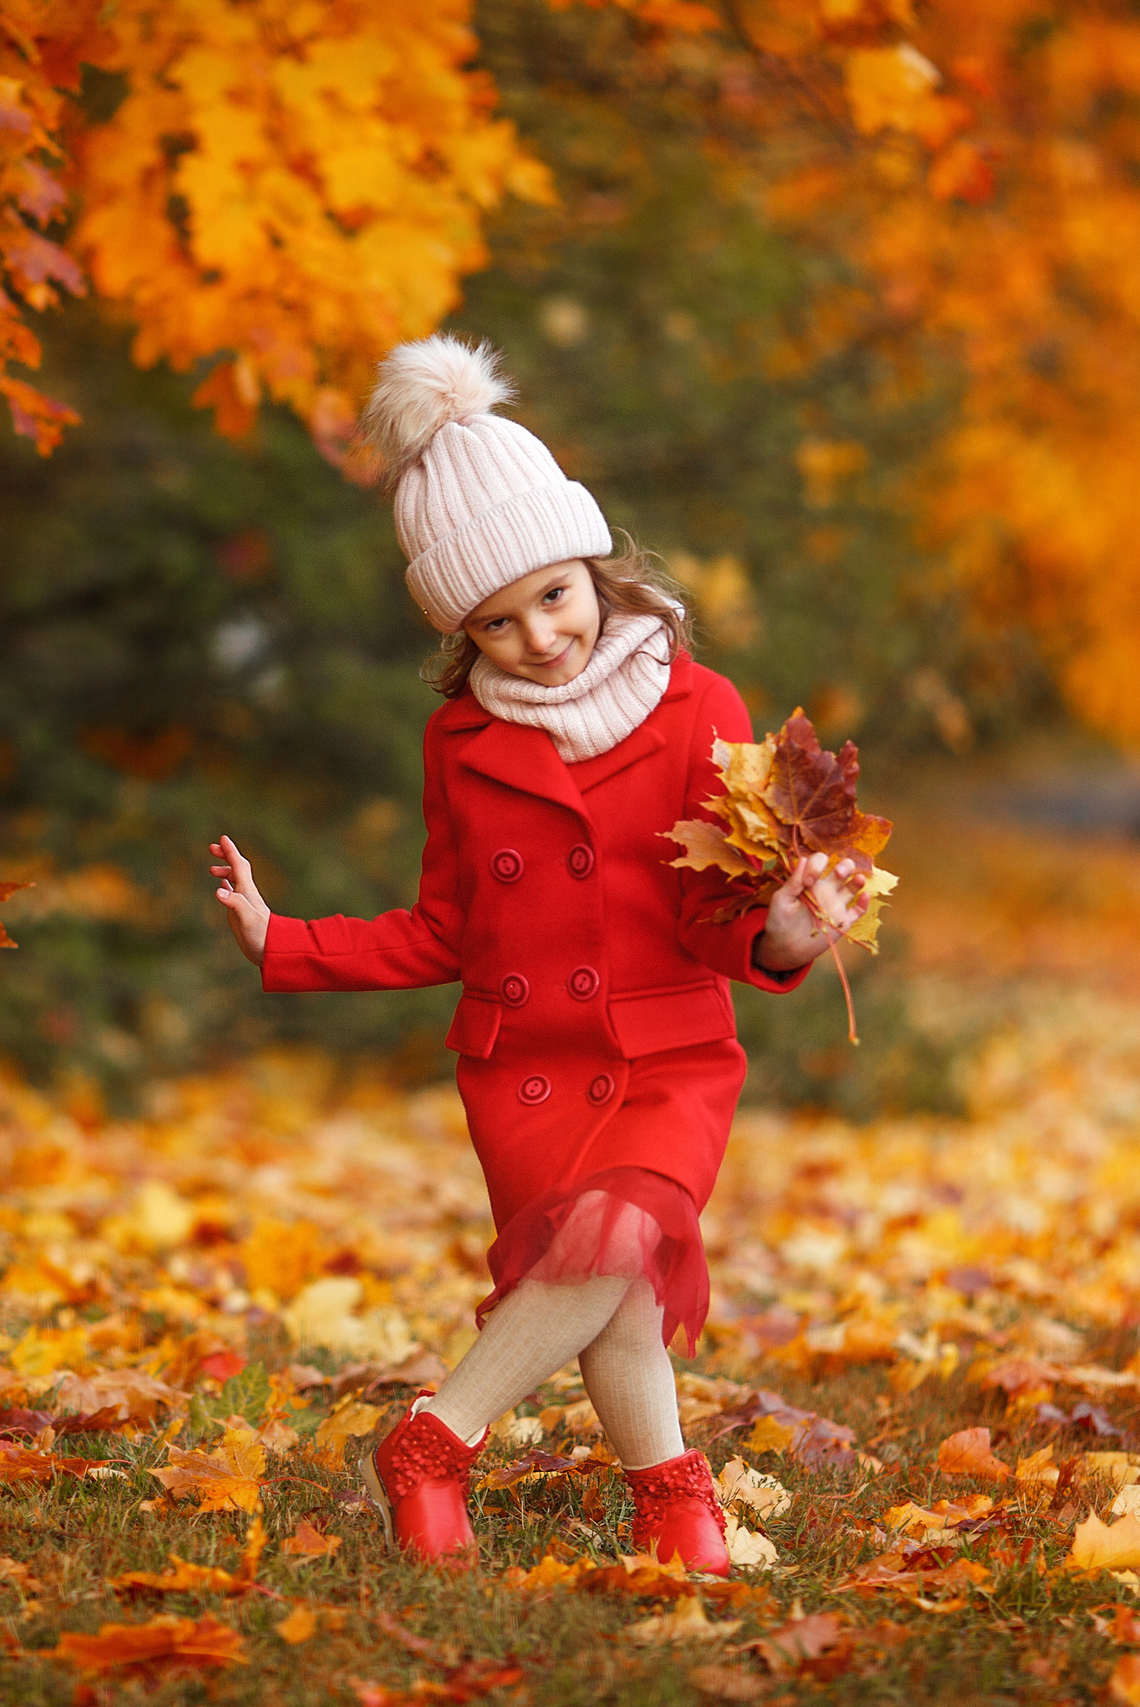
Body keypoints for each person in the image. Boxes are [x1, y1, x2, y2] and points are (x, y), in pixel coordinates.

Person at [206, 336, 858, 1572]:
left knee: (618, 1240)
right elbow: (445, 929)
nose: (538, 640)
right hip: (525, 1071)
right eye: (493, 624)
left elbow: (714, 909)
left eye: (551, 598)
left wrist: (782, 930)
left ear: (593, 566)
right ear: (462, 635)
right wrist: (281, 939)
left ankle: (435, 1437)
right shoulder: (459, 745)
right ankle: (672, 1502)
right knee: (605, 1286)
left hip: (666, 1050)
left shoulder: (700, 708)